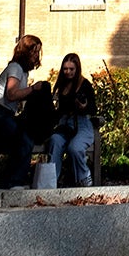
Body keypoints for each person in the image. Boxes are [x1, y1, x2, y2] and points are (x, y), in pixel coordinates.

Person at [0, 33, 45, 178]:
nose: (36, 55)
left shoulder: (23, 72)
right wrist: (33, 89)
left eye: (38, 51)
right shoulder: (15, 68)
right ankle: (12, 183)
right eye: (34, 51)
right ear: (26, 51)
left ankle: (14, 182)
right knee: (24, 141)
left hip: (6, 115)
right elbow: (11, 94)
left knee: (26, 140)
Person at [42, 53, 100, 186]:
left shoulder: (84, 84)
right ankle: (52, 181)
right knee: (55, 142)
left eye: (71, 69)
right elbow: (60, 110)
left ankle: (84, 178)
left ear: (77, 69)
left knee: (75, 147)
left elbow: (92, 108)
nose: (68, 72)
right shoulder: (62, 84)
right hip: (65, 125)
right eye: (65, 69)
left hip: (82, 124)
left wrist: (83, 106)